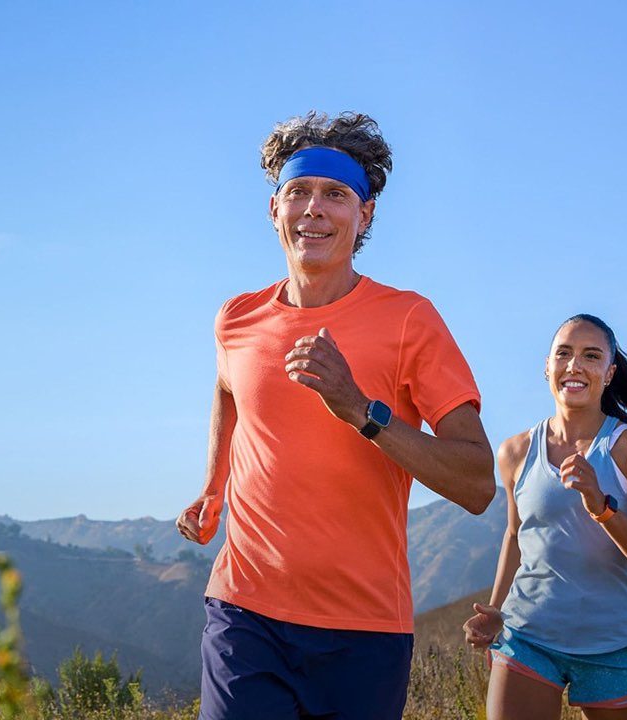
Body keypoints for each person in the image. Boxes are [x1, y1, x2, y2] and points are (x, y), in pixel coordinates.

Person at [175, 111, 496, 720]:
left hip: (363, 629)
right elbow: (228, 390)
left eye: (335, 195)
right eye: (298, 191)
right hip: (245, 611)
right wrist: (212, 488)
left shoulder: (409, 320)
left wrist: (360, 411)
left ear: (364, 215)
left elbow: (478, 482)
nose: (314, 208)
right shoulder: (236, 319)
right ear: (275, 210)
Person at [463, 314, 627, 719]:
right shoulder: (514, 452)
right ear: (546, 366)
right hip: (528, 636)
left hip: (614, 644)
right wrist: (495, 610)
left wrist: (602, 507)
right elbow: (515, 535)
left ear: (610, 373)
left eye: (591, 356)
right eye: (563, 353)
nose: (574, 365)